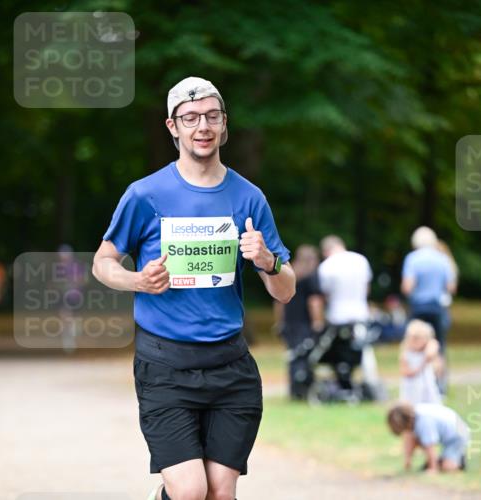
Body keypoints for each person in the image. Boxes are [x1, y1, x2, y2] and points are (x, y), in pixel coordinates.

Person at [92, 76, 295, 500]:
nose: (201, 126)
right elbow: (102, 263)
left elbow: (285, 291)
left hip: (230, 366)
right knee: (189, 492)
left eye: (211, 117)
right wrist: (138, 281)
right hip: (164, 365)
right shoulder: (144, 195)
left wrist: (267, 260)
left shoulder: (249, 197)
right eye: (190, 118)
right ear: (173, 127)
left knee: (219, 494)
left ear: (224, 125)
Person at [401, 227, 456, 392]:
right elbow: (451, 287)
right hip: (437, 307)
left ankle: (414, 379)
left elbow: (407, 287)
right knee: (439, 345)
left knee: (413, 345)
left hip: (418, 308)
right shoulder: (443, 259)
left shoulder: (412, 259)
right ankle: (440, 384)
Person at [316, 235, 373, 391]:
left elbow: (325, 294)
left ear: (326, 250)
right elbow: (366, 288)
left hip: (337, 315)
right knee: (364, 350)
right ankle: (370, 381)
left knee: (339, 352)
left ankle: (341, 382)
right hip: (360, 312)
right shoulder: (361, 260)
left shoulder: (326, 266)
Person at [273, 244, 324, 400]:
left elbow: (279, 301)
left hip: (289, 323)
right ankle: (303, 390)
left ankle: (294, 390)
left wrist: (279, 322)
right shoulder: (311, 276)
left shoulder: (288, 274)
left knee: (293, 356)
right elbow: (314, 301)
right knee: (305, 356)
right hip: (304, 323)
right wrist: (318, 322)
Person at [387, 402, 470, 472]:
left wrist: (433, 468)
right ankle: (410, 463)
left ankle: (458, 461)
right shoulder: (415, 415)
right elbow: (410, 438)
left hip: (458, 436)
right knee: (410, 436)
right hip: (450, 433)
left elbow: (430, 446)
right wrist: (407, 462)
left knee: (447, 467)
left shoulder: (424, 422)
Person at [399, 319, 442, 405]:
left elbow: (431, 354)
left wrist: (430, 343)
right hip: (411, 386)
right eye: (413, 338)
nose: (415, 341)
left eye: (418, 338)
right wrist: (420, 367)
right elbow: (405, 371)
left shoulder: (428, 349)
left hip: (427, 385)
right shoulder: (406, 353)